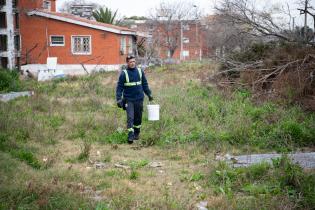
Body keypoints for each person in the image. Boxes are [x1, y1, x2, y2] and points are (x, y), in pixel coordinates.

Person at [116, 55, 153, 144]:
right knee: (130, 117)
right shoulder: (124, 74)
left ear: (135, 62)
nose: (132, 63)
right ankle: (130, 135)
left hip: (139, 99)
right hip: (128, 99)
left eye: (133, 61)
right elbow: (119, 88)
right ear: (127, 63)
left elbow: (145, 84)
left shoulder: (140, 71)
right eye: (130, 62)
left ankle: (137, 133)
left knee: (138, 117)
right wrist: (118, 99)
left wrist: (149, 94)